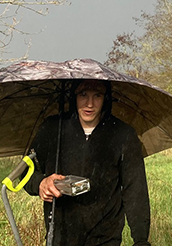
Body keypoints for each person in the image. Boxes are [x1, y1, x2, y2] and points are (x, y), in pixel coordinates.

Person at [25, 79, 151, 246]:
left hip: (106, 236)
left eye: (97, 95)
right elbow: (25, 172)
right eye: (83, 94)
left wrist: (141, 240)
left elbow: (136, 190)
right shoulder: (52, 128)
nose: (89, 103)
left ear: (106, 98)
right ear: (73, 96)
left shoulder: (123, 135)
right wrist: (40, 182)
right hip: (60, 234)